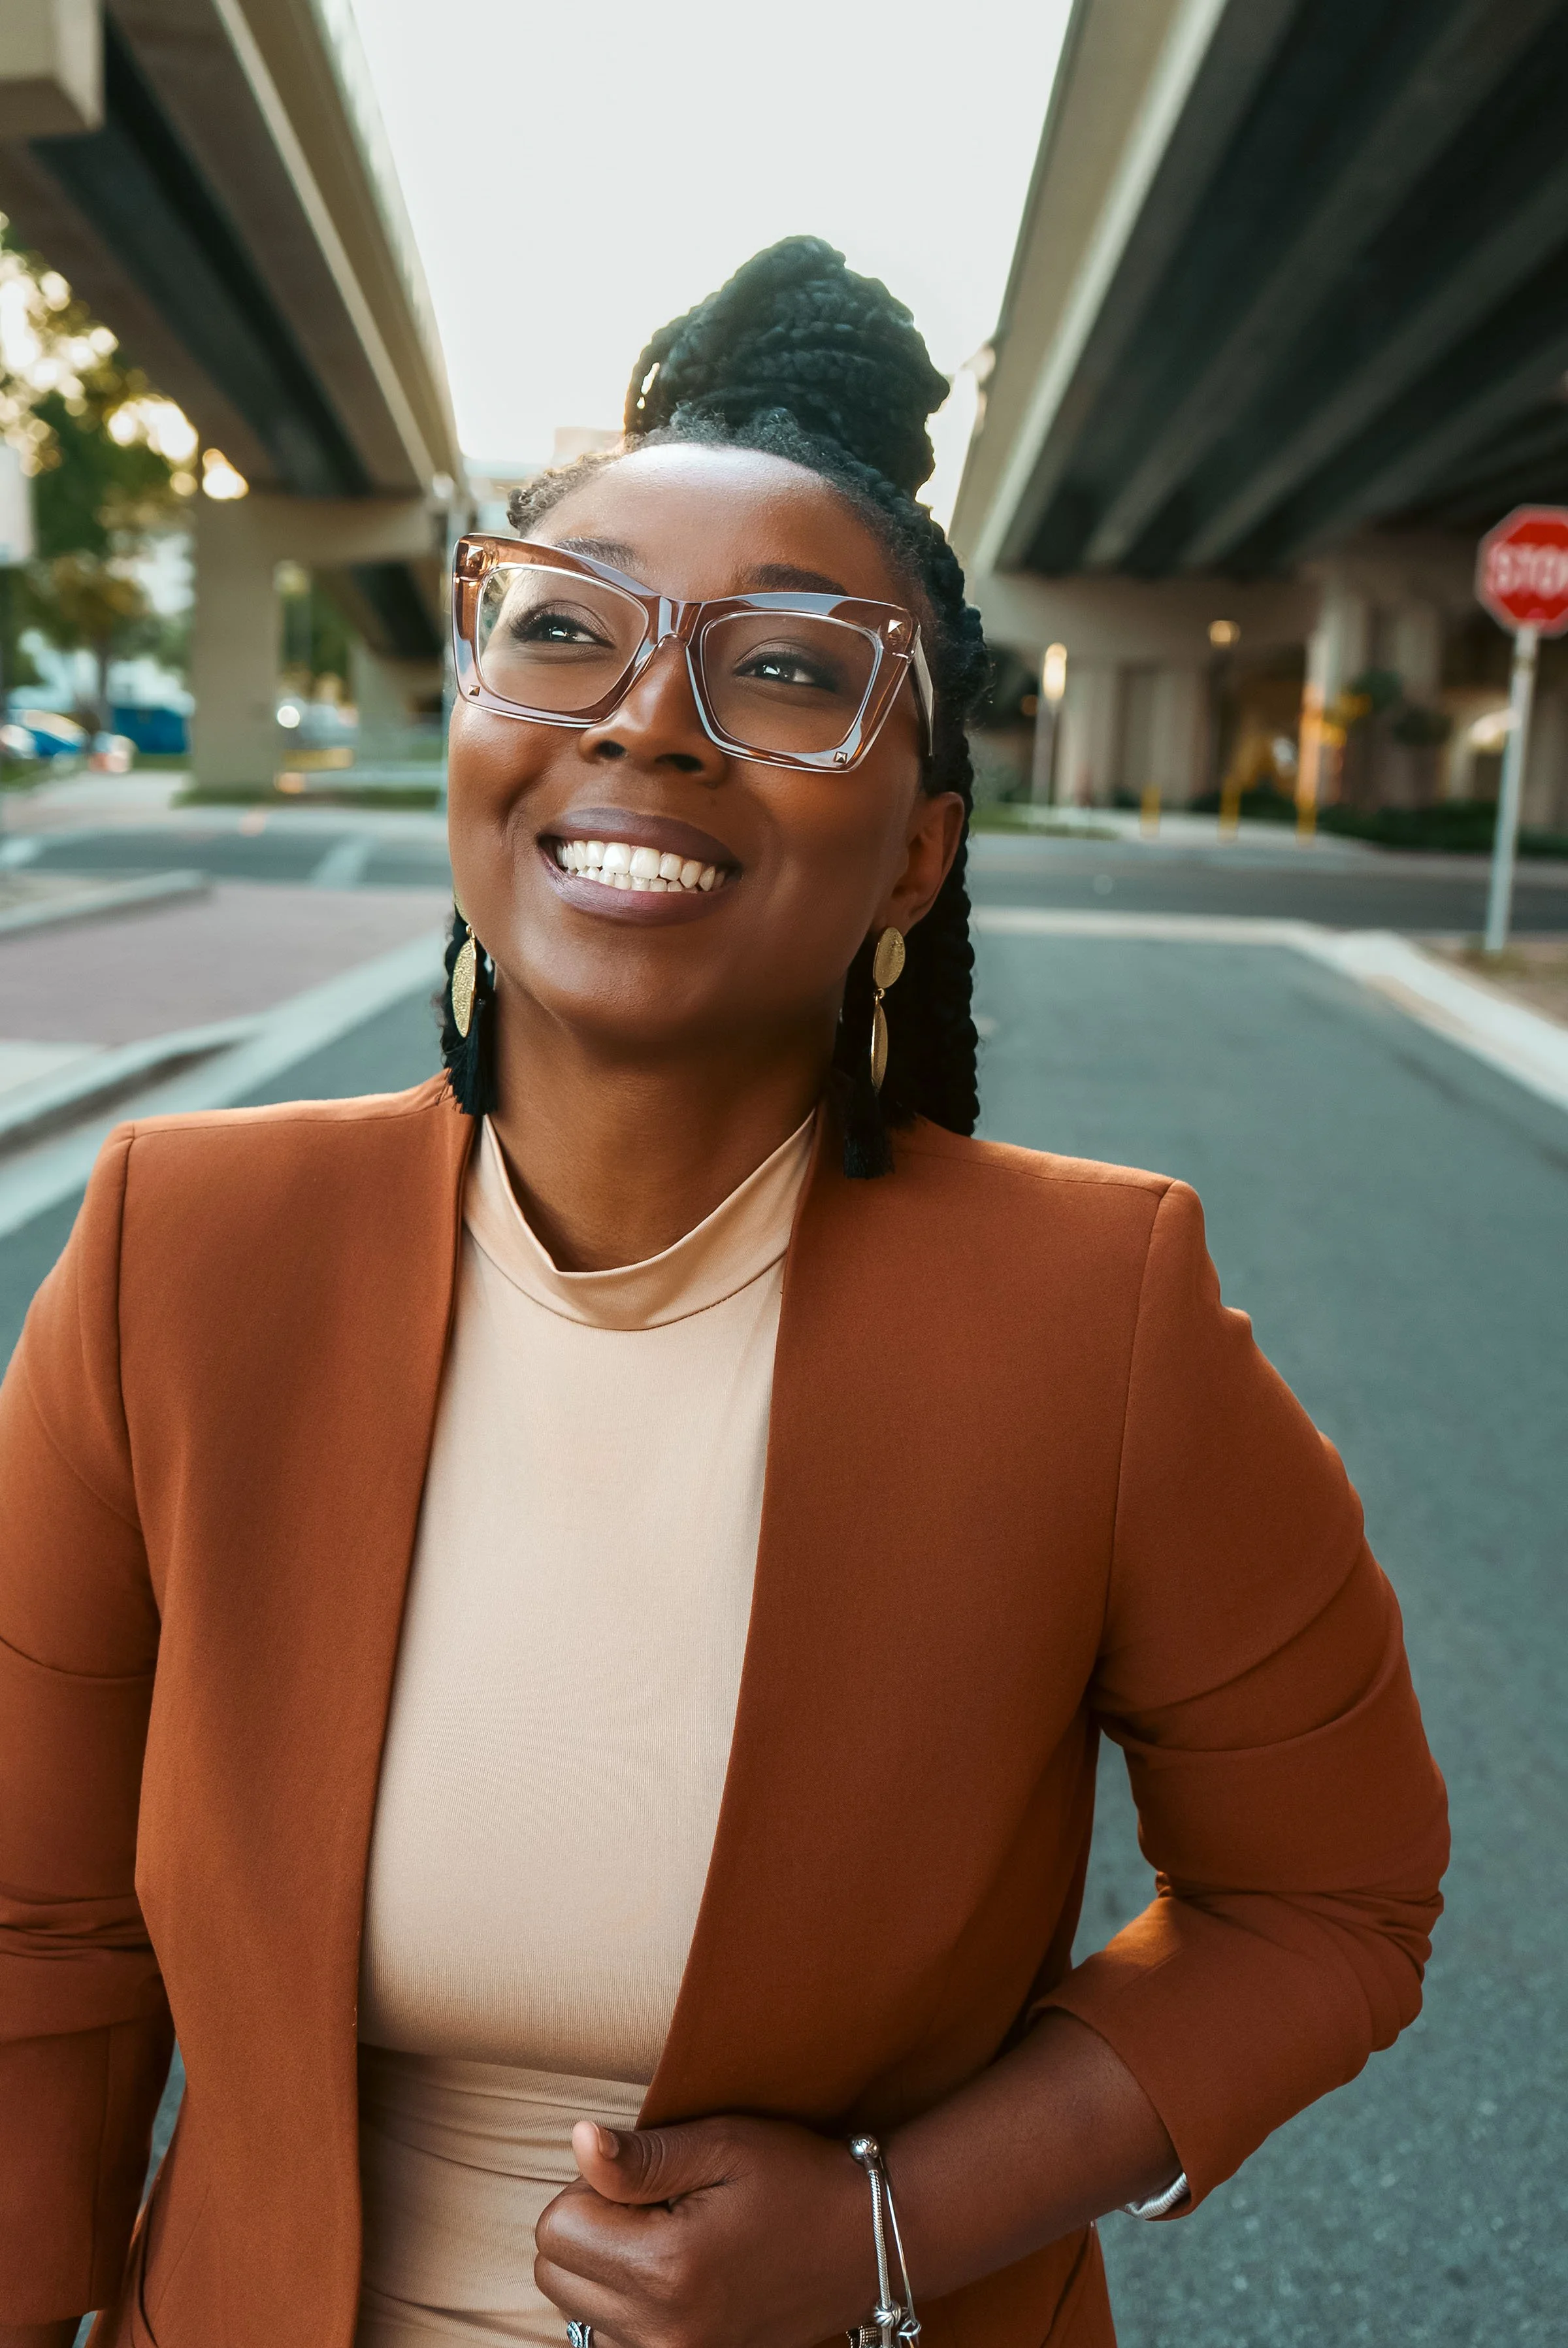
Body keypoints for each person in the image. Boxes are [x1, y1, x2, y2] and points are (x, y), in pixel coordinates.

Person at [0, 239, 1446, 2348]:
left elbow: (1328, 1900)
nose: (649, 724)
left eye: (783, 671)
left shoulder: (1099, 1318)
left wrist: (891, 2227)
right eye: (564, 634)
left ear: (923, 851)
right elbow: (38, 1930)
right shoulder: (176, 1254)